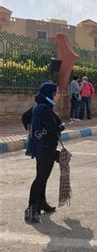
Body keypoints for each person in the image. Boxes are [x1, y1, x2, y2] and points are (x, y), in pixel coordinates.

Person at [22, 82, 65, 224]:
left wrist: (34, 131)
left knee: (43, 177)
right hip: (46, 148)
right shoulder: (45, 110)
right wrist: (60, 127)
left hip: (42, 147)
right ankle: (31, 208)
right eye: (57, 93)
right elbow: (53, 128)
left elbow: (25, 117)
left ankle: (41, 202)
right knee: (41, 178)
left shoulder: (39, 107)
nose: (59, 95)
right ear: (50, 95)